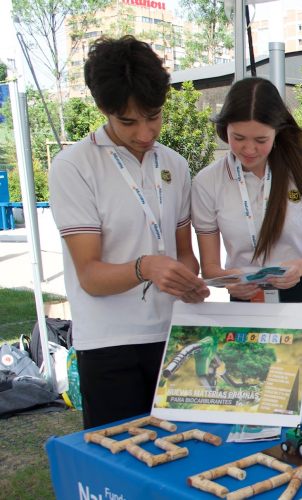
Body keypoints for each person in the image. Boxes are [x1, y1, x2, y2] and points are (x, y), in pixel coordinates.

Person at [49, 36, 209, 428]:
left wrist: (186, 280)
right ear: (104, 109)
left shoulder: (174, 164)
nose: (144, 133)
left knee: (186, 455)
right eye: (128, 121)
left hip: (175, 338)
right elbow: (90, 276)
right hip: (109, 345)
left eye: (153, 116)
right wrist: (147, 267)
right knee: (122, 464)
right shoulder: (74, 166)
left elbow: (184, 252)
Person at [192, 77, 302, 373]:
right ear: (223, 129)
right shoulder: (207, 182)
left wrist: (301, 268)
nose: (248, 149)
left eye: (261, 140)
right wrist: (229, 282)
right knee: (254, 397)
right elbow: (211, 269)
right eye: (238, 137)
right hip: (246, 301)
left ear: (278, 132)